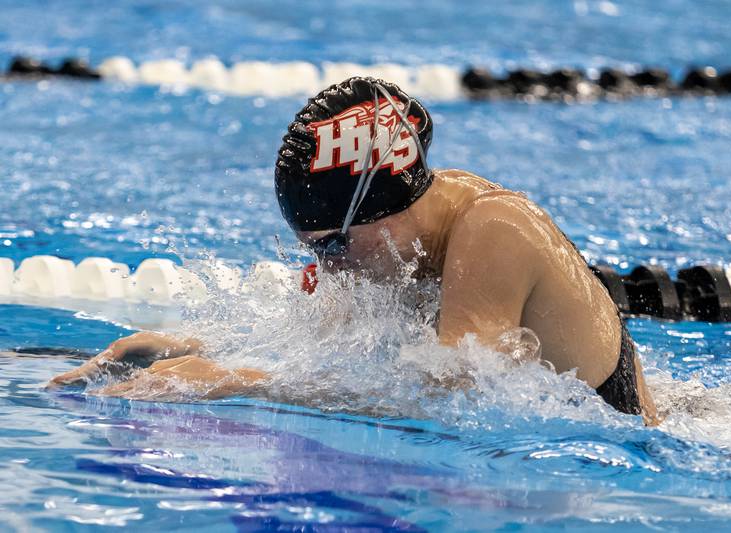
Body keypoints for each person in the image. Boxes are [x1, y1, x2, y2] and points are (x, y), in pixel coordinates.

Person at [49, 77, 658, 424]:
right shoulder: (400, 246)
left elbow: (465, 397)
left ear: (388, 206)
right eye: (315, 251)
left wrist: (239, 382)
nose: (328, 266)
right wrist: (176, 349)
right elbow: (323, 353)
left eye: (336, 243)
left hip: (616, 452)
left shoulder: (494, 226)